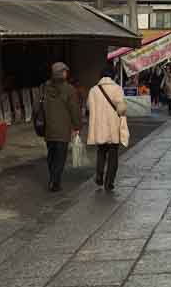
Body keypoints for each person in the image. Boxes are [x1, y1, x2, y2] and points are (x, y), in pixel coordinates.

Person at [87, 64, 129, 191]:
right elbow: (121, 109)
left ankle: (99, 176)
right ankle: (109, 182)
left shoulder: (93, 90)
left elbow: (89, 107)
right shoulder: (117, 89)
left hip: (99, 128)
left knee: (101, 153)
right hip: (113, 128)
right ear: (113, 76)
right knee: (113, 156)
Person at [43, 61, 81, 192]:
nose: (67, 73)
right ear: (62, 73)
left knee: (51, 155)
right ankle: (55, 181)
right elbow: (74, 110)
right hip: (63, 130)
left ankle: (52, 178)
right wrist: (77, 126)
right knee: (60, 157)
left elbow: (37, 106)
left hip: (49, 129)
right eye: (65, 71)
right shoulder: (70, 90)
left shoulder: (45, 88)